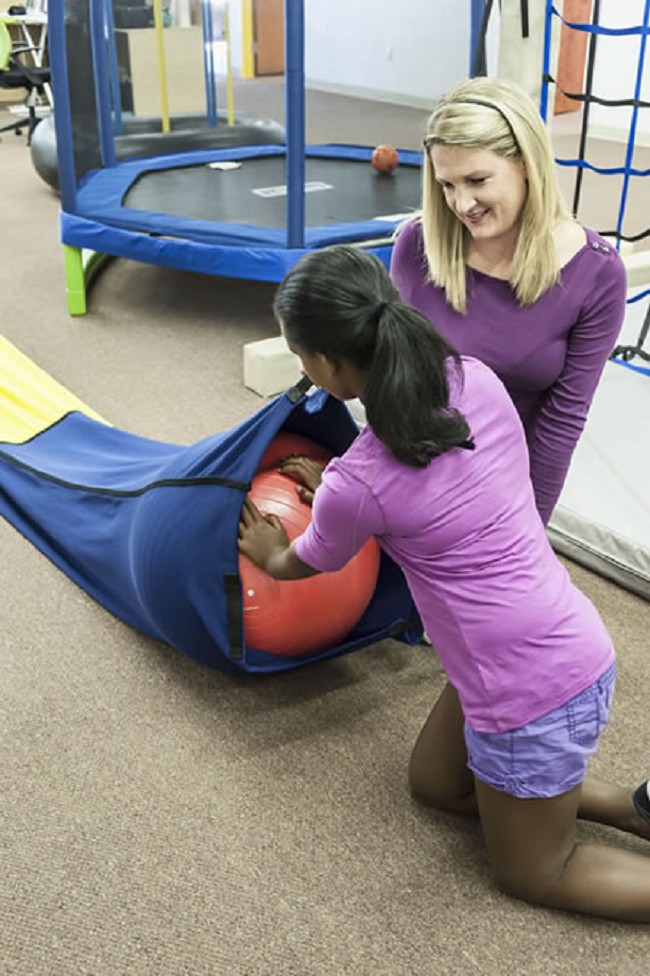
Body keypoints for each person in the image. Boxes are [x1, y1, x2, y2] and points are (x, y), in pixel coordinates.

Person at [238, 244, 650, 922]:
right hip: (557, 642)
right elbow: (428, 483)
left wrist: (271, 549)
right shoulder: (472, 378)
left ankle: (556, 827)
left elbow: (306, 560)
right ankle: (636, 808)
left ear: (329, 364)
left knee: (535, 872)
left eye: (300, 355)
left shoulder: (359, 484)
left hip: (528, 689)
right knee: (435, 785)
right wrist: (342, 481)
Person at [390, 76, 628, 526]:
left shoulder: (598, 274)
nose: (462, 203)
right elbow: (393, 383)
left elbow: (562, 423)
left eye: (477, 180)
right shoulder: (416, 245)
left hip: (501, 491)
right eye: (447, 185)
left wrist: (526, 532)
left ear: (525, 164)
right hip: (411, 474)